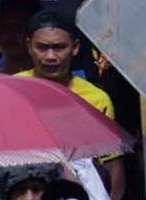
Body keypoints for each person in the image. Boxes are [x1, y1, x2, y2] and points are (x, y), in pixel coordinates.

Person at [17, 11, 127, 197]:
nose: (50, 56)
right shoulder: (13, 89)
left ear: (75, 47)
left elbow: (111, 165)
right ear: (29, 46)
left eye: (59, 47)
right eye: (42, 48)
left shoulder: (96, 99)